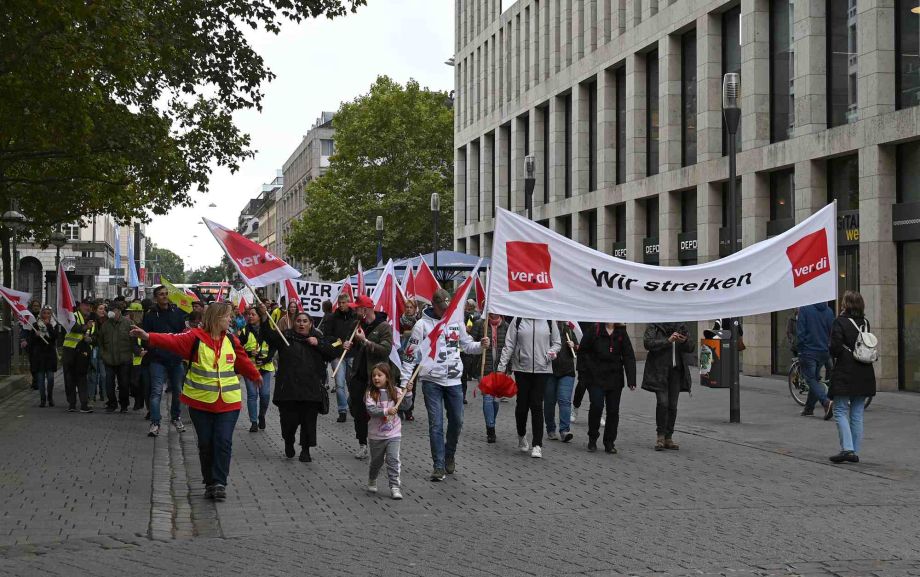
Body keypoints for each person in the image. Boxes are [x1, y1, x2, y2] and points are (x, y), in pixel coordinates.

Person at [131, 302, 261, 501]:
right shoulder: (195, 338)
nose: (230, 319)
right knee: (206, 444)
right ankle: (209, 482)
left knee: (223, 442)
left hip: (229, 402)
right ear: (217, 318)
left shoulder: (231, 340)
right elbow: (171, 341)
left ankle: (219, 483)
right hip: (201, 403)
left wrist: (255, 375)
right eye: (227, 316)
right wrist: (148, 336)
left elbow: (241, 360)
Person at [401, 289, 487, 480]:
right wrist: (405, 382)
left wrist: (481, 345)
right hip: (432, 381)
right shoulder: (421, 325)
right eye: (441, 308)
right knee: (436, 424)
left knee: (457, 421)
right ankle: (438, 465)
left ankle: (449, 454)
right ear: (434, 306)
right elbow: (410, 356)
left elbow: (467, 345)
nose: (445, 311)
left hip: (454, 380)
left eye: (447, 308)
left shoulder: (456, 321)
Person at [258, 307, 336, 462]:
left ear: (311, 324)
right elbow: (269, 336)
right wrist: (264, 318)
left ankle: (305, 450)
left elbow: (333, 351)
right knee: (289, 422)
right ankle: (289, 441)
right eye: (298, 321)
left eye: (305, 321)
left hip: (311, 390)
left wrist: (318, 344)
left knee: (308, 422)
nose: (301, 324)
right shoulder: (285, 336)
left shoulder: (318, 338)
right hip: (288, 389)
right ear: (294, 323)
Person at [497, 318, 561, 459]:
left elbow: (557, 343)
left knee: (537, 405)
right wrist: (501, 368)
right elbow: (509, 344)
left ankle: (537, 444)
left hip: (542, 369)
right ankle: (521, 435)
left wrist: (550, 353)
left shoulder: (549, 320)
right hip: (521, 369)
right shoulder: (518, 320)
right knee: (522, 406)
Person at [342, 294, 394, 460]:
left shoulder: (384, 326)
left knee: (378, 411)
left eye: (357, 308)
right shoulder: (357, 324)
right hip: (359, 374)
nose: (355, 310)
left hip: (377, 377)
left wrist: (365, 341)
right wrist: (347, 345)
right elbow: (353, 344)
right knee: (358, 410)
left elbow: (385, 350)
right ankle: (362, 444)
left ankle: (382, 444)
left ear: (365, 310)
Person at [828, 291, 876, 464]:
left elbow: (834, 348)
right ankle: (854, 450)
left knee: (840, 410)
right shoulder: (865, 323)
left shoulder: (839, 322)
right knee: (857, 412)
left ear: (845, 305)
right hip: (864, 371)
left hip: (846, 371)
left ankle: (847, 450)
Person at [578, 323, 637, 453]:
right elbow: (582, 351)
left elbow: (628, 355)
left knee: (613, 411)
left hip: (615, 377)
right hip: (595, 377)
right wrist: (583, 374)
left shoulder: (621, 332)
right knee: (597, 406)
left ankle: (609, 442)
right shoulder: (594, 330)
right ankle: (592, 438)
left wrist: (631, 379)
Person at [642, 322, 695, 451]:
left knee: (672, 405)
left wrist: (684, 341)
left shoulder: (681, 326)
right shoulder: (654, 325)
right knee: (663, 403)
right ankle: (660, 437)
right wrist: (667, 341)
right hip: (659, 371)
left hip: (676, 371)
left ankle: (668, 437)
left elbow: (691, 347)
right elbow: (647, 344)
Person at [143, 285, 189, 437]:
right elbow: (146, 337)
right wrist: (153, 348)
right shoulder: (150, 315)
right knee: (156, 392)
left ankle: (176, 418)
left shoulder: (177, 313)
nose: (164, 296)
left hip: (175, 359)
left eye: (166, 294)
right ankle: (155, 422)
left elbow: (182, 334)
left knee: (178, 391)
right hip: (157, 359)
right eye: (161, 294)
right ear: (156, 297)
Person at [365, 362, 412, 500]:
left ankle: (394, 486)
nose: (376, 378)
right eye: (374, 375)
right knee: (377, 462)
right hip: (376, 435)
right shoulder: (370, 393)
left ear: (388, 377)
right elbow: (371, 410)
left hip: (393, 433)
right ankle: (372, 478)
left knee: (393, 459)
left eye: (380, 375)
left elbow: (405, 405)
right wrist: (386, 411)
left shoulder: (396, 392)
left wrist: (408, 392)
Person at [470, 312, 508, 443]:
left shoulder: (506, 326)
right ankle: (490, 429)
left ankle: (491, 421)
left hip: (500, 369)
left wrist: (508, 368)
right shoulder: (480, 324)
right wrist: (480, 344)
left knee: (495, 401)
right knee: (487, 398)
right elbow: (470, 343)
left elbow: (510, 347)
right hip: (484, 368)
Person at [239, 307, 276, 433]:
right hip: (250, 368)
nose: (250, 316)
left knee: (265, 395)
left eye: (253, 314)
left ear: (259, 316)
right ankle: (254, 422)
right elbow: (238, 349)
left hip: (265, 368)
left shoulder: (267, 330)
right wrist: (249, 352)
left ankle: (262, 415)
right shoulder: (244, 331)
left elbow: (273, 347)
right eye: (248, 314)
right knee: (252, 395)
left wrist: (266, 360)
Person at [797, 302, 835, 419]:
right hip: (823, 352)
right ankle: (809, 409)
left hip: (809, 351)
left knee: (811, 379)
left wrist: (800, 349)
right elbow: (831, 332)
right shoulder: (829, 311)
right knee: (814, 378)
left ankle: (826, 402)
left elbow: (801, 333)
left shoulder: (804, 309)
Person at [544, 321, 580, 443]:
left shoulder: (568, 328)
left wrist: (573, 345)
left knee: (564, 400)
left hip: (567, 371)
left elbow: (578, 347)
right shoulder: (546, 326)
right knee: (549, 401)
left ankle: (564, 430)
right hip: (549, 370)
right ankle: (550, 429)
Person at [98, 302, 136, 413]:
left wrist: (136, 353)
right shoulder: (105, 325)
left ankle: (124, 405)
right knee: (109, 383)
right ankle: (112, 404)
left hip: (124, 360)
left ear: (119, 311)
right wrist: (103, 355)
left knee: (124, 384)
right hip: (109, 360)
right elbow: (100, 342)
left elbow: (134, 341)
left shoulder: (128, 323)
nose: (111, 312)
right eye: (109, 310)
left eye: (113, 310)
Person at [326, 292, 357, 423]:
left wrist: (353, 342)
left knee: (353, 384)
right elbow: (328, 337)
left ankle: (351, 403)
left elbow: (360, 336)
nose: (342, 305)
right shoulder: (332, 318)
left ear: (349, 303)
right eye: (340, 303)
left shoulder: (355, 318)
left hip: (352, 354)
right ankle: (342, 410)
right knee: (339, 384)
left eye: (344, 303)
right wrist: (339, 344)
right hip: (337, 356)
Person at [61, 298, 94, 413]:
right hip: (70, 351)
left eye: (89, 305)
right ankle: (72, 404)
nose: (88, 307)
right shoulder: (73, 315)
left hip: (82, 352)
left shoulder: (89, 318)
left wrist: (90, 339)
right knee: (69, 379)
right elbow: (73, 327)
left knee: (82, 378)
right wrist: (85, 327)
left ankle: (84, 404)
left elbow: (94, 334)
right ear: (80, 306)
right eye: (86, 305)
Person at [28, 307, 64, 407]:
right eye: (44, 313)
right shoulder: (36, 325)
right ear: (41, 314)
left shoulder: (54, 325)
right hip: (39, 356)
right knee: (40, 379)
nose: (46, 315)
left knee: (51, 378)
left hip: (50, 355)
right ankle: (42, 399)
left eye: (48, 313)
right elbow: (31, 341)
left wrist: (48, 326)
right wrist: (36, 335)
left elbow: (55, 337)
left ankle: (50, 397)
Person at [397, 298, 421, 422]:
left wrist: (410, 333)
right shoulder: (400, 320)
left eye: (411, 307)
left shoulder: (419, 322)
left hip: (414, 356)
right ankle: (400, 407)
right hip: (401, 354)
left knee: (412, 384)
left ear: (415, 309)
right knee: (401, 382)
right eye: (407, 307)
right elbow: (397, 335)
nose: (408, 309)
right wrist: (406, 334)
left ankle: (409, 410)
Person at [125, 302, 149, 411]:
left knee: (139, 383)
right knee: (133, 384)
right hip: (131, 359)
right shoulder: (128, 325)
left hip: (141, 360)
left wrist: (141, 351)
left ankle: (139, 402)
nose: (129, 314)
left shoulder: (144, 325)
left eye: (131, 312)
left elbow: (145, 341)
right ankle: (138, 401)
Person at [460, 299, 481, 404]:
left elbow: (468, 329)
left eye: (467, 305)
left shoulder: (471, 316)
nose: (466, 306)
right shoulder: (456, 317)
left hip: (466, 349)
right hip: (457, 350)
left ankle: (462, 396)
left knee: (463, 375)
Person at [87, 302, 108, 402]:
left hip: (104, 351)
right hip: (94, 349)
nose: (103, 311)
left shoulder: (108, 321)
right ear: (95, 310)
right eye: (100, 309)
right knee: (93, 374)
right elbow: (89, 334)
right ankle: (91, 396)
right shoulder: (92, 321)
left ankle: (104, 396)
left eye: (104, 309)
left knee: (104, 375)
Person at [21, 299, 43, 391]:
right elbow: (24, 328)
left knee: (38, 363)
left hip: (40, 344)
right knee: (33, 363)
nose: (36, 307)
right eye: (34, 306)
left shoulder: (42, 316)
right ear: (32, 307)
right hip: (31, 344)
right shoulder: (28, 316)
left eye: (37, 306)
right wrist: (23, 339)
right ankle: (35, 380)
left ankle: (37, 382)